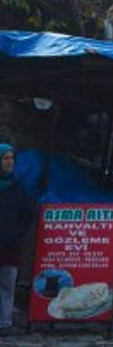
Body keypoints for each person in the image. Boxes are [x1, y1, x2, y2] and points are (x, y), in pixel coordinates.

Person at [0, 143, 35, 334]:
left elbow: (27, 215)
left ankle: (4, 323)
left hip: (10, 246)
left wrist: (16, 234)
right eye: (5, 158)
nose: (9, 162)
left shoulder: (17, 188)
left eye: (11, 158)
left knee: (7, 286)